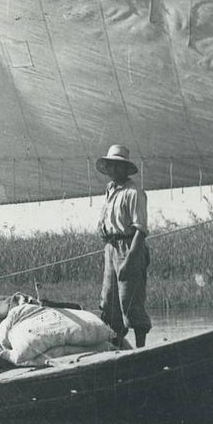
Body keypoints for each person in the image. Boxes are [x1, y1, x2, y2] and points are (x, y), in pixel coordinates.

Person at [96, 144, 151, 348]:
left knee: (130, 299)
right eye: (110, 166)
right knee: (109, 300)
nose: (113, 170)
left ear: (126, 169)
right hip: (111, 247)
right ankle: (118, 347)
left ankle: (140, 348)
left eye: (118, 167)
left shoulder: (134, 192)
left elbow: (141, 230)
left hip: (130, 247)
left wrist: (130, 260)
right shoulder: (110, 190)